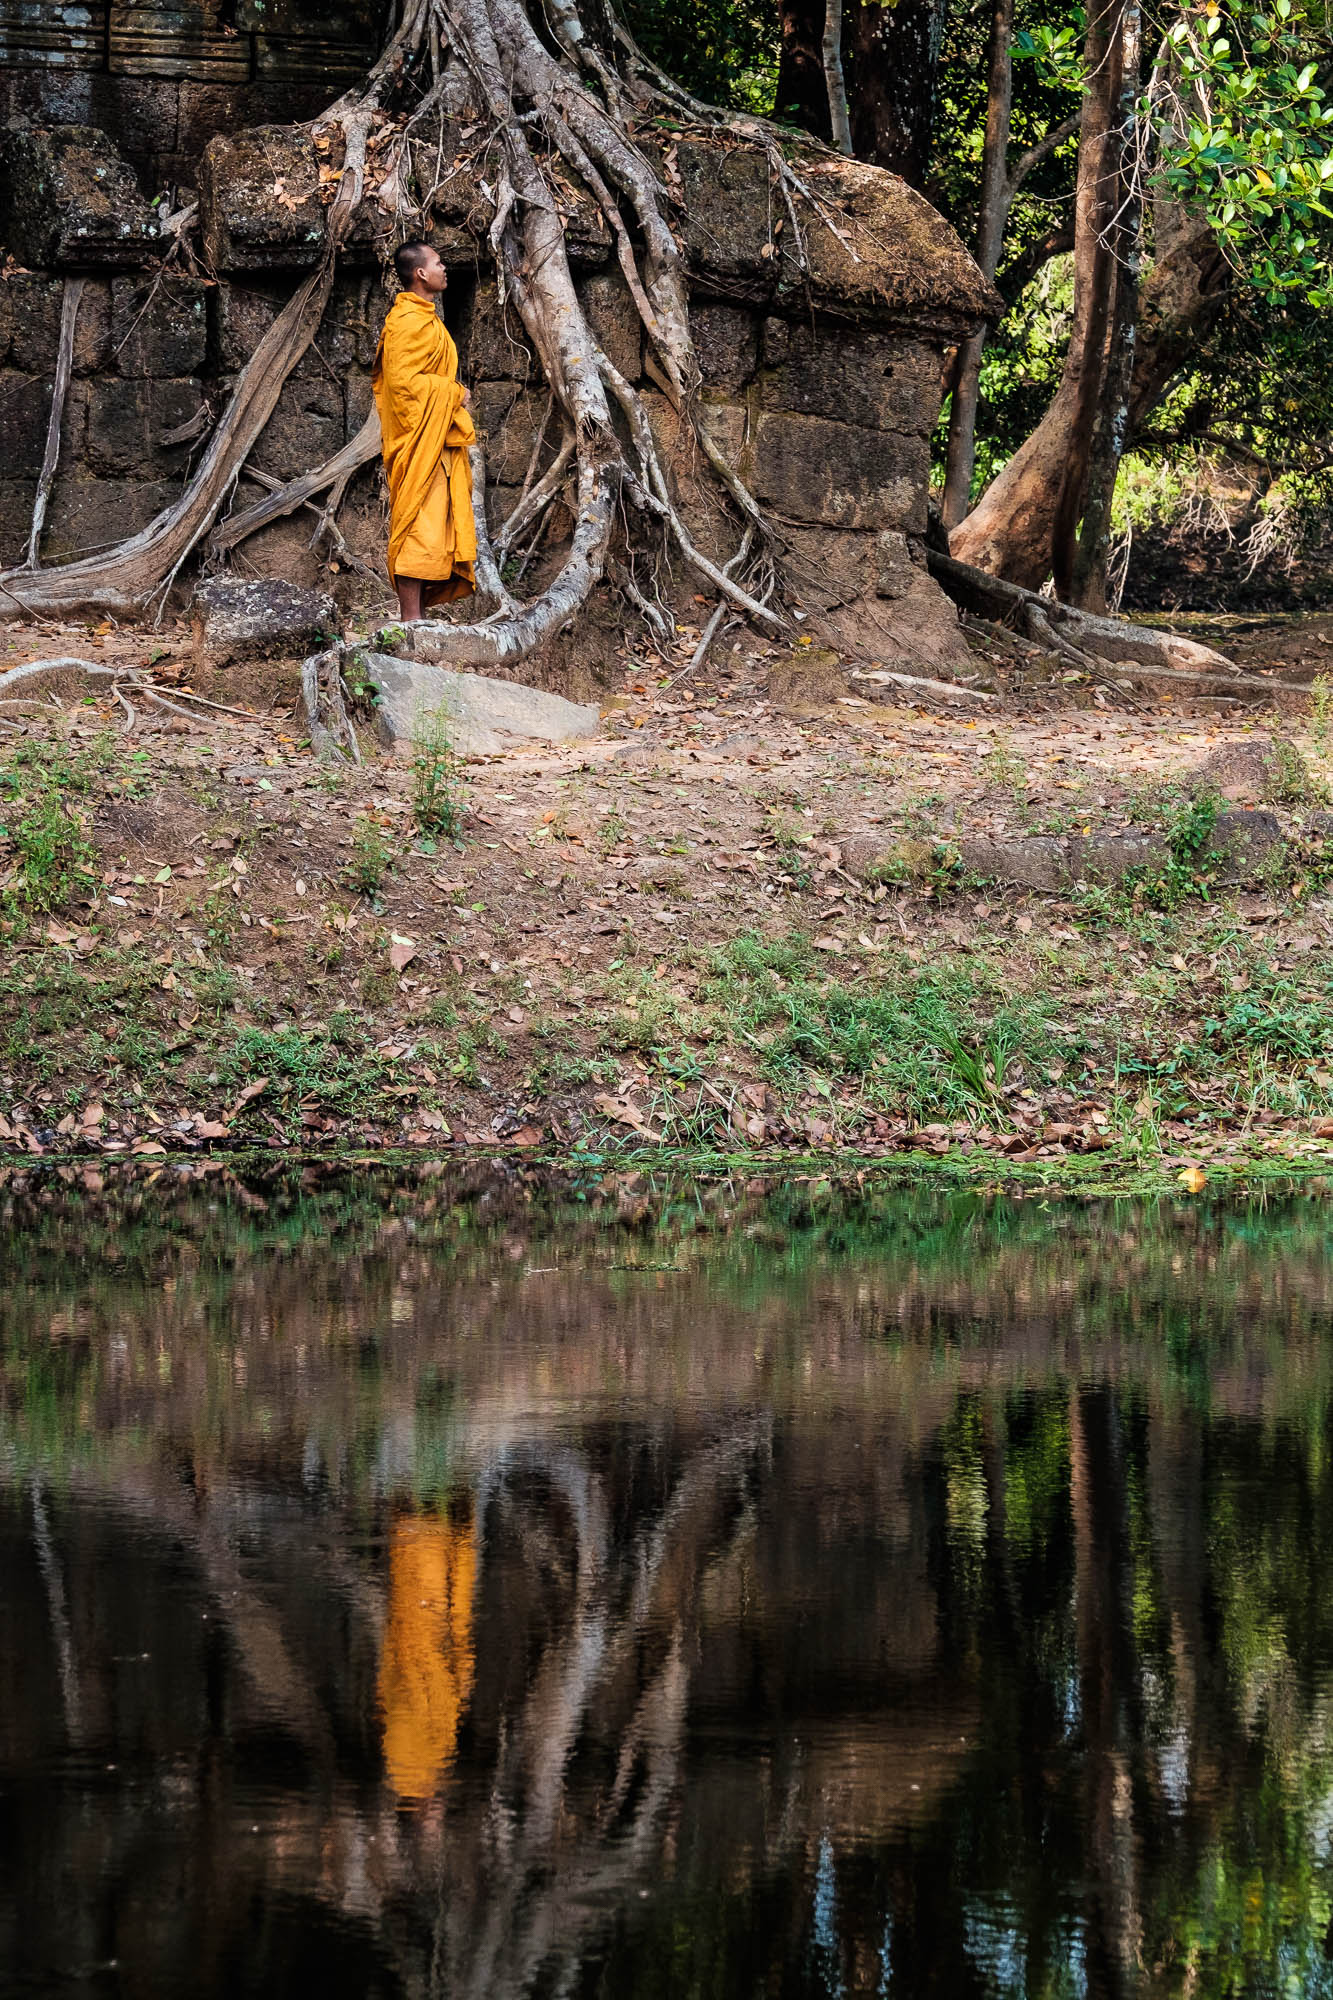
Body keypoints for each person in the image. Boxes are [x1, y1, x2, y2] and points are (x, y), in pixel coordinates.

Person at [372, 240, 478, 622]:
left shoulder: (427, 318)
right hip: (419, 441)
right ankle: (409, 619)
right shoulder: (405, 322)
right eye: (438, 262)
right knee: (418, 524)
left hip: (437, 439)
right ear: (420, 273)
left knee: (433, 527)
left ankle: (416, 617)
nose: (444, 267)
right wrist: (453, 392)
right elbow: (403, 388)